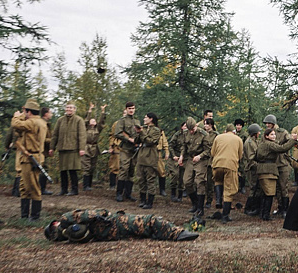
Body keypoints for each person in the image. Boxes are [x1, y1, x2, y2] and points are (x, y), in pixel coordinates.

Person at [44, 209, 198, 242]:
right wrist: (101, 213)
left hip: (110, 234)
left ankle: (170, 234)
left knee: (144, 231)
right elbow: (85, 214)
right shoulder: (65, 220)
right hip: (114, 223)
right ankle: (178, 234)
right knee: (149, 221)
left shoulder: (67, 236)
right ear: (54, 225)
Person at [11, 99, 48, 220]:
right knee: (24, 186)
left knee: (33, 186)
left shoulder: (32, 122)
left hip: (30, 157)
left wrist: (17, 116)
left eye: (25, 111)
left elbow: (16, 125)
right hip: (31, 156)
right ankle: (25, 215)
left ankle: (34, 216)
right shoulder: (41, 122)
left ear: (29, 112)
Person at [255, 128, 296, 220]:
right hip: (268, 170)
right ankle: (266, 215)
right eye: (271, 135)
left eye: (274, 134)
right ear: (266, 136)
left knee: (265, 193)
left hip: (264, 169)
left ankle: (263, 213)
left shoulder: (263, 144)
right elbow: (282, 148)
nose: (274, 136)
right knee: (270, 193)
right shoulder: (269, 144)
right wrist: (293, 140)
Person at [49, 102, 87, 196]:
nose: (69, 109)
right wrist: (52, 147)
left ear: (74, 109)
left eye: (71, 108)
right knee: (63, 170)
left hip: (73, 149)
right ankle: (64, 189)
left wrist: (82, 148)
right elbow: (55, 135)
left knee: (72, 170)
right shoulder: (60, 120)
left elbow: (82, 135)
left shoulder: (79, 120)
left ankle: (74, 190)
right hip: (62, 148)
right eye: (67, 107)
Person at [179, 117, 213, 217]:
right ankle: (195, 202)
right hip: (190, 159)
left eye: (193, 129)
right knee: (187, 181)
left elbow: (208, 150)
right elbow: (184, 146)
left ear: (195, 126)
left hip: (201, 160)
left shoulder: (203, 134)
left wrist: (200, 156)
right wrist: (181, 156)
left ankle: (200, 208)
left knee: (199, 182)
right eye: (189, 130)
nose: (191, 131)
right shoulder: (185, 133)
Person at [211, 123, 244, 222]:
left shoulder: (218, 137)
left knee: (218, 181)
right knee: (229, 190)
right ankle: (225, 216)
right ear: (234, 132)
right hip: (230, 165)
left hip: (217, 164)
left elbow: (212, 152)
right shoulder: (238, 139)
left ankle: (218, 200)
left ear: (225, 130)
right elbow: (240, 156)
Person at [134, 112, 162, 210]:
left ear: (151, 119)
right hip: (141, 157)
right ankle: (142, 200)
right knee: (141, 180)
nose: (144, 119)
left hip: (150, 157)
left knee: (150, 180)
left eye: (146, 117)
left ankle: (150, 202)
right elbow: (136, 141)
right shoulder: (144, 129)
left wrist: (141, 133)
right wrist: (138, 132)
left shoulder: (156, 130)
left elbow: (151, 141)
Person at [114, 102, 140, 202]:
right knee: (124, 169)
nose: (131, 110)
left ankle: (128, 194)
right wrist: (129, 139)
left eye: (133, 108)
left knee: (131, 171)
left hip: (134, 150)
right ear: (126, 109)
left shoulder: (137, 121)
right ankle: (119, 193)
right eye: (129, 108)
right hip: (125, 149)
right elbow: (117, 133)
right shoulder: (122, 121)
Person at [81, 103, 106, 191]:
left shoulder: (97, 129)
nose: (93, 121)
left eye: (94, 121)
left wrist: (103, 111)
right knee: (86, 167)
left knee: (92, 167)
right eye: (92, 120)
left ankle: (89, 184)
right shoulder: (86, 128)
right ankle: (85, 185)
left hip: (94, 148)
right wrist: (90, 110)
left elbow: (102, 122)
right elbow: (86, 120)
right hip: (86, 147)